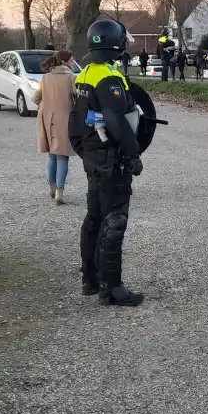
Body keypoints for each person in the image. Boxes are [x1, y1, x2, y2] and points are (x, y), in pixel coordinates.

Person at [69, 19, 146, 306]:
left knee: (94, 218)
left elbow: (74, 121)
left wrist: (84, 151)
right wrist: (132, 153)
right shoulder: (108, 78)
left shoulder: (85, 74)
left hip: (94, 156)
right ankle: (111, 288)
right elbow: (116, 120)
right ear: (116, 42)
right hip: (110, 158)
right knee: (115, 220)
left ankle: (89, 278)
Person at [35, 50, 76, 205]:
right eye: (71, 60)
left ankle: (51, 187)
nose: (72, 63)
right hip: (64, 119)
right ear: (64, 62)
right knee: (62, 155)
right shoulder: (71, 77)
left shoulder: (45, 77)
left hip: (45, 118)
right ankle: (59, 192)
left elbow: (35, 98)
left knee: (52, 155)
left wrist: (45, 106)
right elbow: (77, 97)